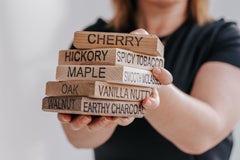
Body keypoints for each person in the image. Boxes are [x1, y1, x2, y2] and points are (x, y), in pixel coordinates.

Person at [58, 0, 240, 159]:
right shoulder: (93, 38)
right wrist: (103, 112)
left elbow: (205, 135)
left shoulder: (224, 39)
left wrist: (140, 75)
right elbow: (78, 137)